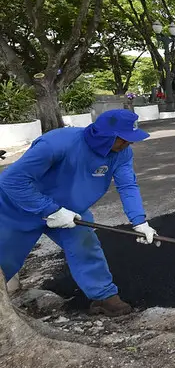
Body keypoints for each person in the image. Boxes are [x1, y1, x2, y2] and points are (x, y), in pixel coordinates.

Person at [0, 109, 158, 317]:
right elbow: (11, 180)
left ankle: (103, 296)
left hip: (70, 212)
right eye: (123, 139)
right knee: (5, 258)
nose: (128, 143)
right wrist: (50, 210)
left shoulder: (121, 153)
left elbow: (127, 185)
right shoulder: (56, 144)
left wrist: (139, 221)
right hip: (19, 208)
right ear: (104, 136)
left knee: (86, 246)